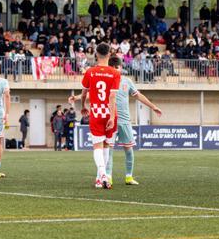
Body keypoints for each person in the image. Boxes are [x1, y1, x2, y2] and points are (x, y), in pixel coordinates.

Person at [69, 42, 119, 189]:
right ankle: (100, 178)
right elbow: (112, 97)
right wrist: (110, 116)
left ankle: (101, 175)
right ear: (109, 54)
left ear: (96, 54)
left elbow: (85, 93)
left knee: (97, 145)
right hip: (110, 113)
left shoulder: (90, 72)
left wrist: (83, 105)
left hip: (96, 111)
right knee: (107, 146)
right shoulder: (115, 73)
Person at [106, 56, 163, 185]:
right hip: (110, 119)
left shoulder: (127, 81)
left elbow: (138, 95)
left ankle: (129, 177)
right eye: (112, 68)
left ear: (121, 68)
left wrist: (153, 107)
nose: (115, 70)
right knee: (108, 150)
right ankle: (108, 177)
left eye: (117, 67)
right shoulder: (106, 81)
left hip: (125, 120)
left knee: (129, 149)